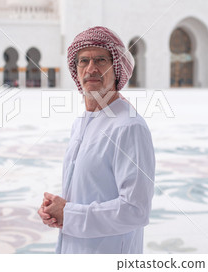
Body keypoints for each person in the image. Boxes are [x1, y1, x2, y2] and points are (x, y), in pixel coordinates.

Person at [38, 26, 156, 254]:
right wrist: (57, 210)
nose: (91, 69)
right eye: (83, 61)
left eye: (101, 60)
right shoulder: (81, 123)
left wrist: (69, 214)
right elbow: (91, 190)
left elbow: (136, 209)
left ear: (117, 69)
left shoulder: (128, 126)